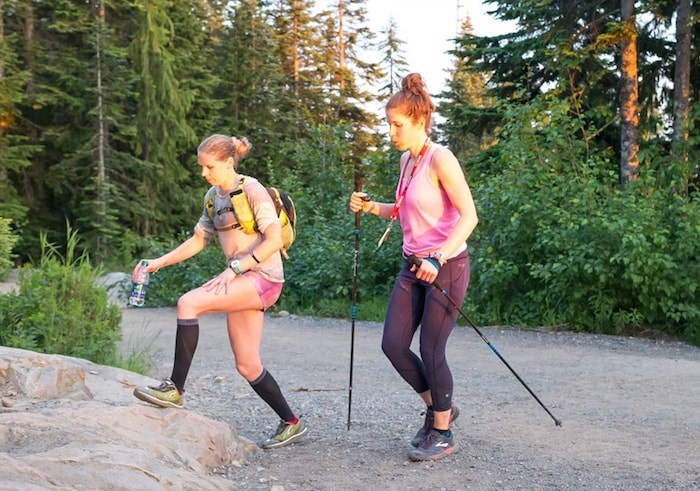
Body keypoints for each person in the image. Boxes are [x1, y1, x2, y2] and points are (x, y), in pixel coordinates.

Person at [132, 134, 307, 450]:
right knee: (247, 365)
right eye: (201, 167)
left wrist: (236, 268)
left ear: (228, 162)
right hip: (244, 280)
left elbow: (274, 240)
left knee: (189, 303)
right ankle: (292, 422)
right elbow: (198, 241)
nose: (204, 173)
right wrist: (156, 263)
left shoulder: (251, 190)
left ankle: (176, 389)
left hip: (264, 277)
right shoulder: (214, 197)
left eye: (209, 167)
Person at [349, 73, 478, 462]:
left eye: (397, 125)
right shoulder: (407, 160)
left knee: (431, 348)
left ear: (420, 122)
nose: (391, 132)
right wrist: (370, 207)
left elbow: (470, 217)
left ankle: (443, 430)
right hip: (411, 266)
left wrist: (438, 257)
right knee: (393, 344)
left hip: (446, 266)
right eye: (388, 124)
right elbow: (402, 209)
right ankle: (440, 405)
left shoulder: (442, 158)